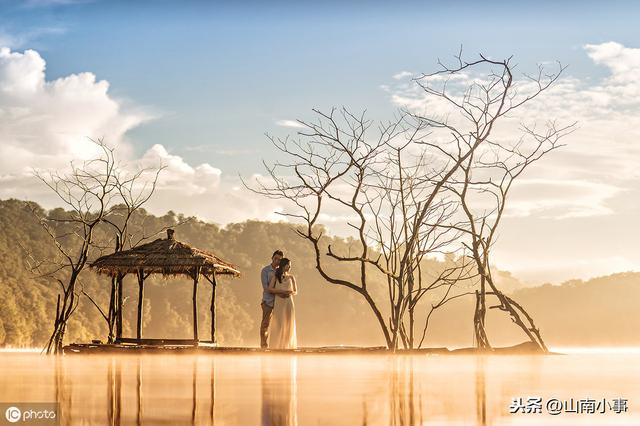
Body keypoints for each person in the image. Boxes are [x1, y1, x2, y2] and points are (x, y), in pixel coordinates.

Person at [260, 250, 292, 348]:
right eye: (275, 258)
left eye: (279, 260)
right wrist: (282, 293)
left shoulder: (283, 272)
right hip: (268, 302)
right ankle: (264, 346)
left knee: (280, 325)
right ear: (272, 258)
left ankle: (279, 346)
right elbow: (266, 288)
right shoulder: (265, 270)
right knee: (265, 325)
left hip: (281, 303)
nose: (277, 261)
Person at [267, 258, 297, 350]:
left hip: (288, 301)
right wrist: (281, 292)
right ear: (284, 265)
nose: (289, 267)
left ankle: (287, 346)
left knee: (288, 322)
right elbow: (270, 289)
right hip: (279, 301)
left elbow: (295, 291)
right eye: (288, 265)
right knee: (279, 322)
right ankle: (276, 346)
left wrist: (288, 292)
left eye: (290, 265)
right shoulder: (276, 277)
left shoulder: (291, 277)